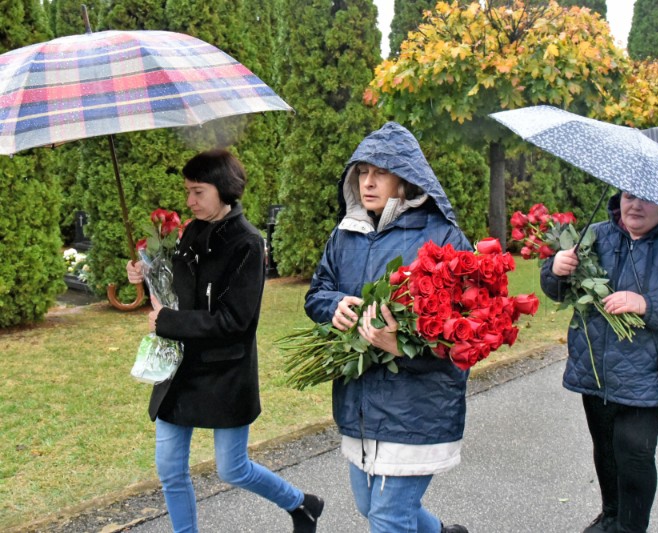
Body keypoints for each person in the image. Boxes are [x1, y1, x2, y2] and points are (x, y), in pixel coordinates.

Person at [126, 149, 323, 533]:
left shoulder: (248, 244)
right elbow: (179, 290)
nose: (189, 201)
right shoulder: (192, 232)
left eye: (198, 192)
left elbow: (235, 321)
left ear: (224, 190)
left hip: (226, 371)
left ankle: (301, 504)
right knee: (169, 468)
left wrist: (168, 321)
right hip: (181, 369)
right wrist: (146, 272)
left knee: (232, 468)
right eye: (187, 192)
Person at [304, 122, 471, 533]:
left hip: (417, 405)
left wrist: (401, 345)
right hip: (359, 400)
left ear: (406, 179)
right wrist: (335, 305)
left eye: (380, 172)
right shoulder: (345, 234)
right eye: (362, 172)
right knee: (369, 506)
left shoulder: (446, 238)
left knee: (388, 517)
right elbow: (317, 293)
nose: (368, 182)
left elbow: (467, 330)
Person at [540, 191, 658, 533]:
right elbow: (558, 289)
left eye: (648, 199)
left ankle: (631, 526)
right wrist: (555, 270)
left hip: (649, 371)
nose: (636, 205)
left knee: (634, 450)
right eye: (629, 196)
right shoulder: (595, 236)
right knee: (605, 447)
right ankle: (610, 515)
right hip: (595, 366)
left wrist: (646, 304)